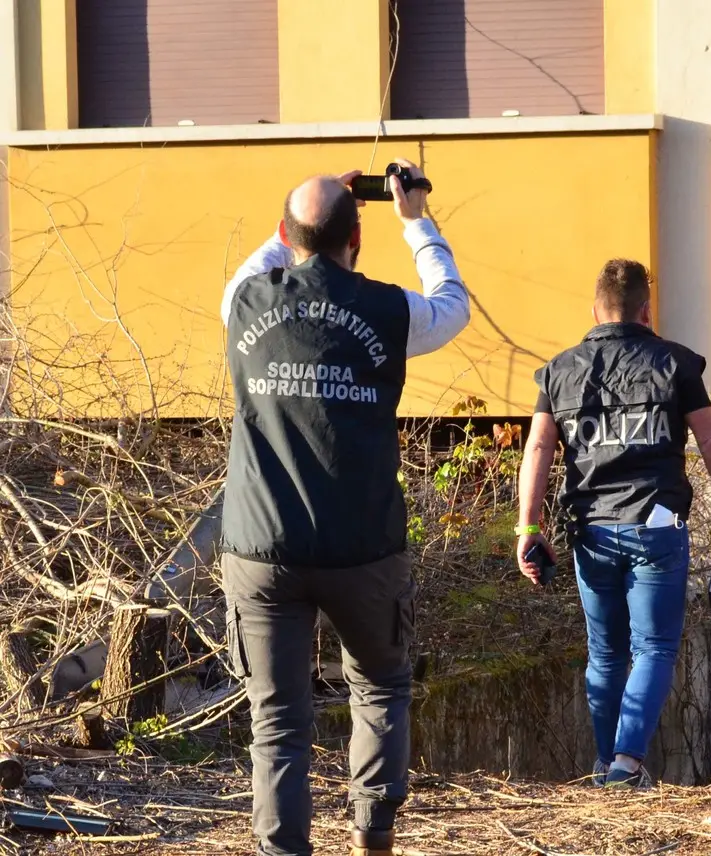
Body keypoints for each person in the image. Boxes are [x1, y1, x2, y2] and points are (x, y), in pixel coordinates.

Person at [218, 158, 470, 856]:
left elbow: (272, 251)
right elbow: (452, 303)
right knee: (382, 685)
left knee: (277, 718)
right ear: (356, 239)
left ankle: (283, 850)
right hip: (363, 546)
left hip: (262, 546)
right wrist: (416, 221)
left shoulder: (244, 301)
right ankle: (373, 832)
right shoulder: (389, 311)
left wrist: (308, 204)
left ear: (287, 235)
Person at [515, 258, 711, 789]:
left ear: (595, 307)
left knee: (606, 654)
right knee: (655, 648)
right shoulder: (675, 365)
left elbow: (538, 447)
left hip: (590, 531)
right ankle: (625, 764)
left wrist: (527, 529)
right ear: (647, 310)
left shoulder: (560, 370)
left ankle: (609, 764)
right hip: (656, 525)